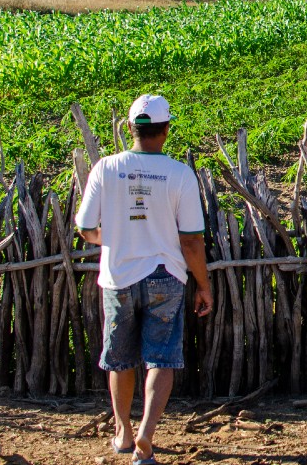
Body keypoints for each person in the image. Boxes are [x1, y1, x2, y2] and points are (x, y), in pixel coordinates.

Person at [75, 94, 213, 465]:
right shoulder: (179, 174)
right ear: (166, 131)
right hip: (165, 276)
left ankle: (121, 431)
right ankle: (146, 435)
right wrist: (203, 285)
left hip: (118, 276)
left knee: (119, 360)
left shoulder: (105, 168)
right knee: (160, 359)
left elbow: (86, 228)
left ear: (131, 129)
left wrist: (117, 237)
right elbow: (191, 241)